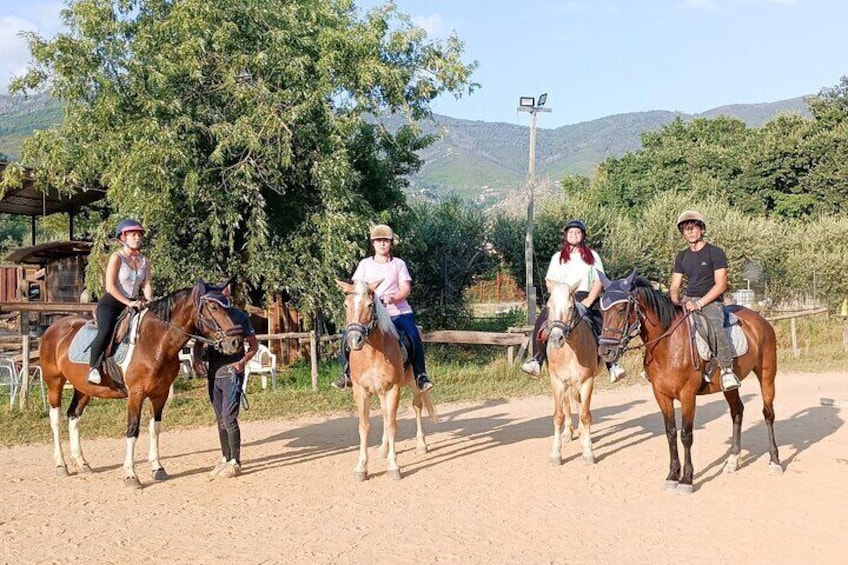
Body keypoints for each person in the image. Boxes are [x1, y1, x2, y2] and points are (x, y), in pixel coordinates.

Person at [521, 219, 627, 383]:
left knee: (601, 322)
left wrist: (590, 299)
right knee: (542, 321)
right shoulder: (558, 257)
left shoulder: (593, 256)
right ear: (566, 236)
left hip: (585, 296)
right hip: (562, 297)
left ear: (583, 235)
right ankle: (537, 359)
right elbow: (549, 280)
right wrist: (558, 296)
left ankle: (612, 364)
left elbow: (599, 280)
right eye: (571, 232)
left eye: (577, 232)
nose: (574, 235)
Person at [331, 224, 433, 392]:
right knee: (346, 336)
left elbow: (405, 288)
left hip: (397, 312)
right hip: (371, 314)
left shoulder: (399, 264)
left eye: (386, 241)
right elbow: (357, 287)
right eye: (378, 241)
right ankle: (347, 373)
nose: (382, 244)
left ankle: (420, 375)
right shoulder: (364, 264)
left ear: (391, 243)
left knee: (413, 335)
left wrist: (393, 298)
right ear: (373, 244)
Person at [669, 210, 741, 392]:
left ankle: (726, 369)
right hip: (688, 299)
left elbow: (721, 284)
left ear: (701, 230)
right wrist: (675, 298)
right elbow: (675, 284)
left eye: (693, 228)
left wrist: (700, 303)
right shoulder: (682, 256)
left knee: (714, 328)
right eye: (686, 229)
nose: (690, 232)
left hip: (711, 301)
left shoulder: (715, 253)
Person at [193, 285, 259, 480]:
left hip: (232, 375)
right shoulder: (210, 317)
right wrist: (197, 359)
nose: (225, 293)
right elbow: (198, 343)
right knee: (220, 420)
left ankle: (235, 462)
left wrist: (241, 363)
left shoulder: (240, 317)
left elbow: (254, 346)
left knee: (229, 418)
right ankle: (224, 458)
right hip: (214, 374)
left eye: (228, 291)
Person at [87, 219, 154, 385]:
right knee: (105, 331)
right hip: (111, 303)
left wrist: (150, 300)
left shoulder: (145, 261)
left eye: (139, 235)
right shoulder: (117, 257)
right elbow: (109, 286)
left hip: (134, 303)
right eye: (133, 235)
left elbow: (146, 284)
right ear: (123, 237)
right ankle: (93, 367)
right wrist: (128, 303)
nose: (138, 238)